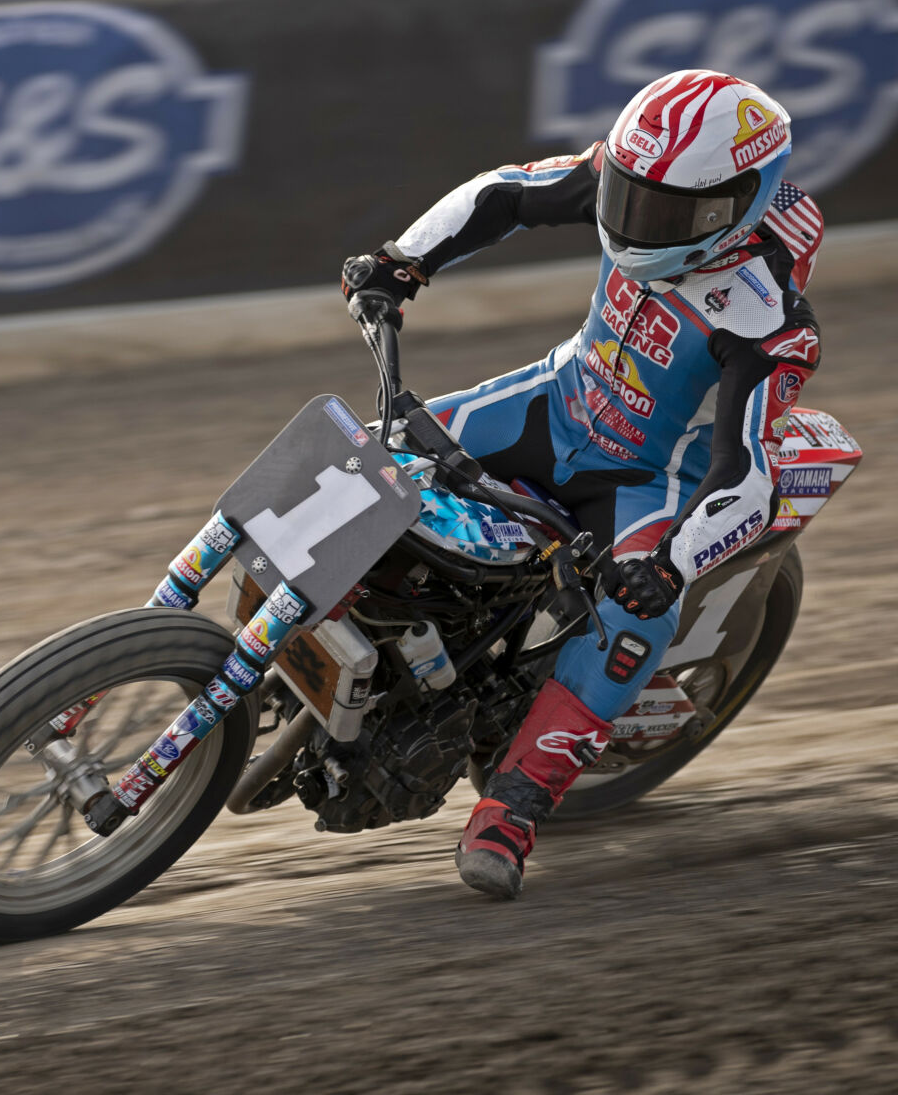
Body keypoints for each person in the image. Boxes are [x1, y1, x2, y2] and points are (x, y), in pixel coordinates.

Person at [339, 69, 825, 900]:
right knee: (362, 460)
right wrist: (400, 262)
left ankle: (513, 809)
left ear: (738, 205)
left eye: (666, 213)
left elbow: (744, 471)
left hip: (645, 479)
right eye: (628, 194)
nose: (635, 221)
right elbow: (503, 193)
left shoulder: (771, 322)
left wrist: (668, 566)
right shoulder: (632, 178)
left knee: (636, 620)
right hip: (552, 401)